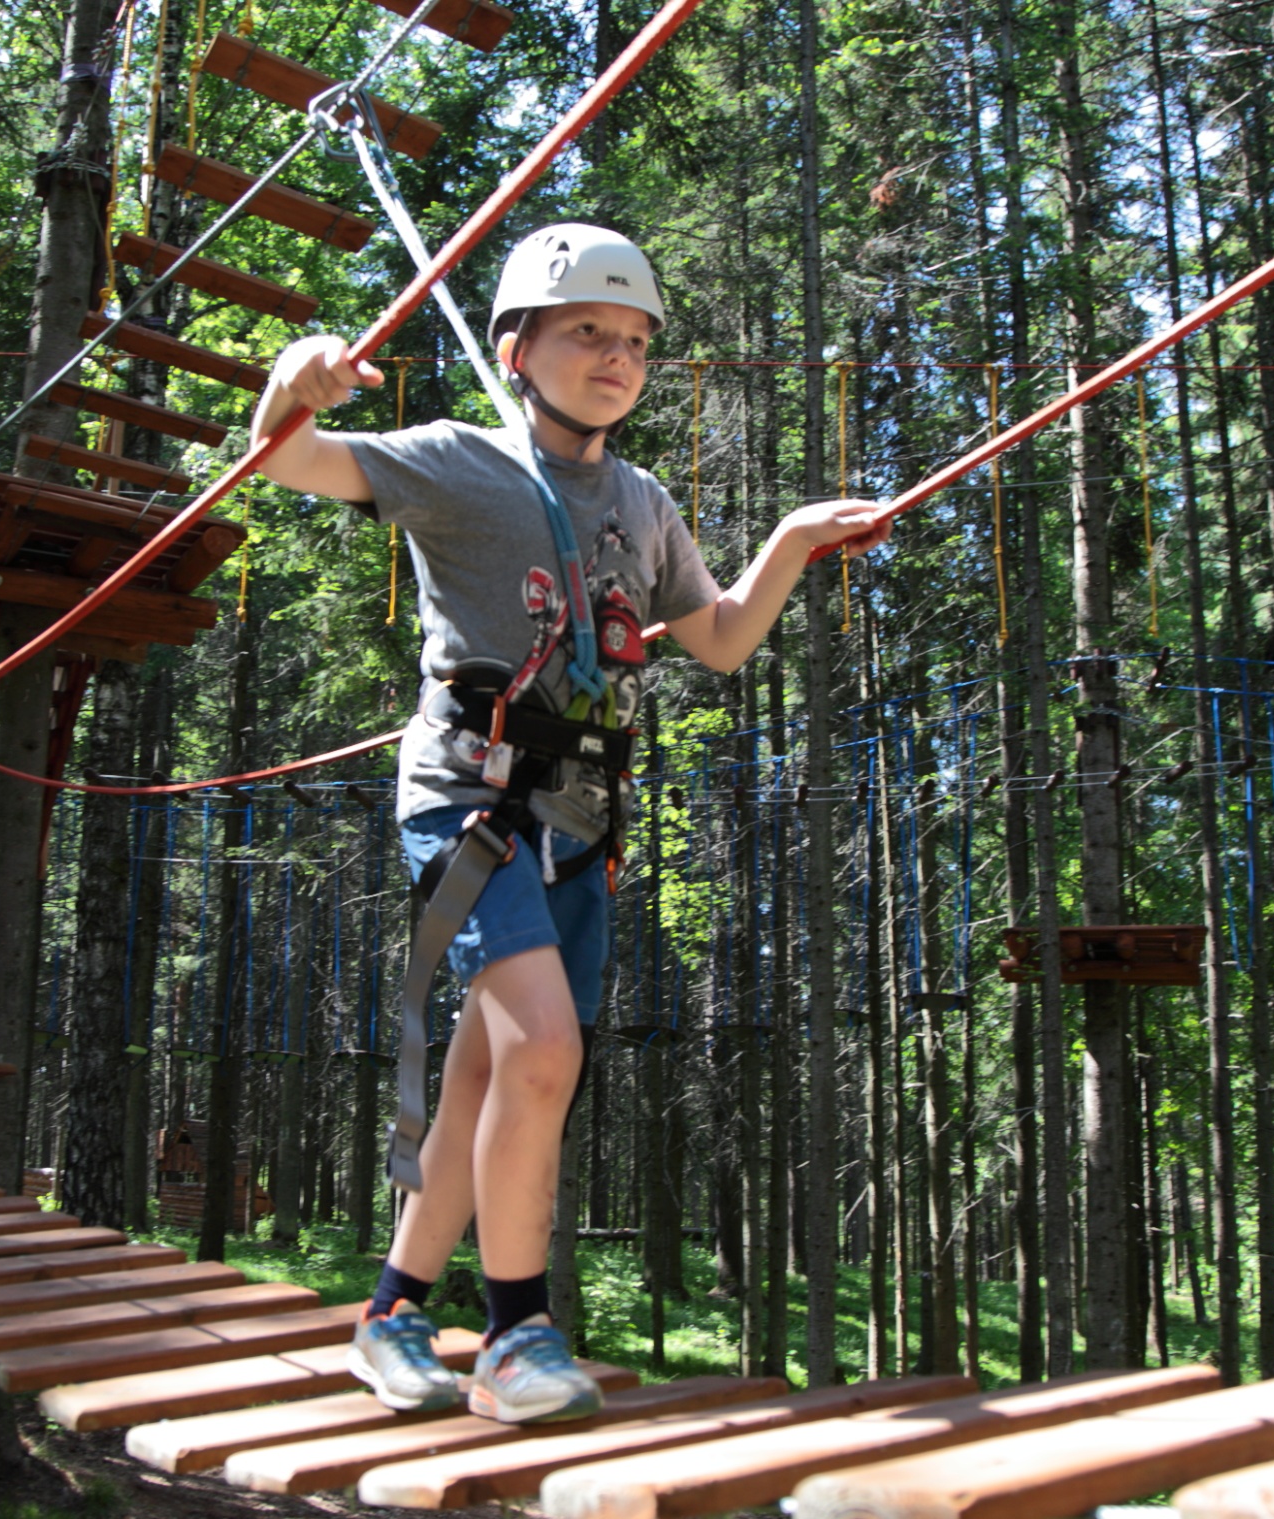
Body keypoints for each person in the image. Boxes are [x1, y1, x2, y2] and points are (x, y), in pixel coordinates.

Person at [250, 224, 888, 1424]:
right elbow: (292, 463)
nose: (616, 356)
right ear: (519, 345)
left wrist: (797, 539)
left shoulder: (643, 504)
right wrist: (293, 386)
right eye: (587, 331)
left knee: (493, 1073)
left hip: (583, 821)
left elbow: (722, 640)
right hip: (471, 800)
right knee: (544, 1051)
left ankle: (390, 1311)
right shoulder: (458, 463)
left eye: (637, 340)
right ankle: (514, 1332)